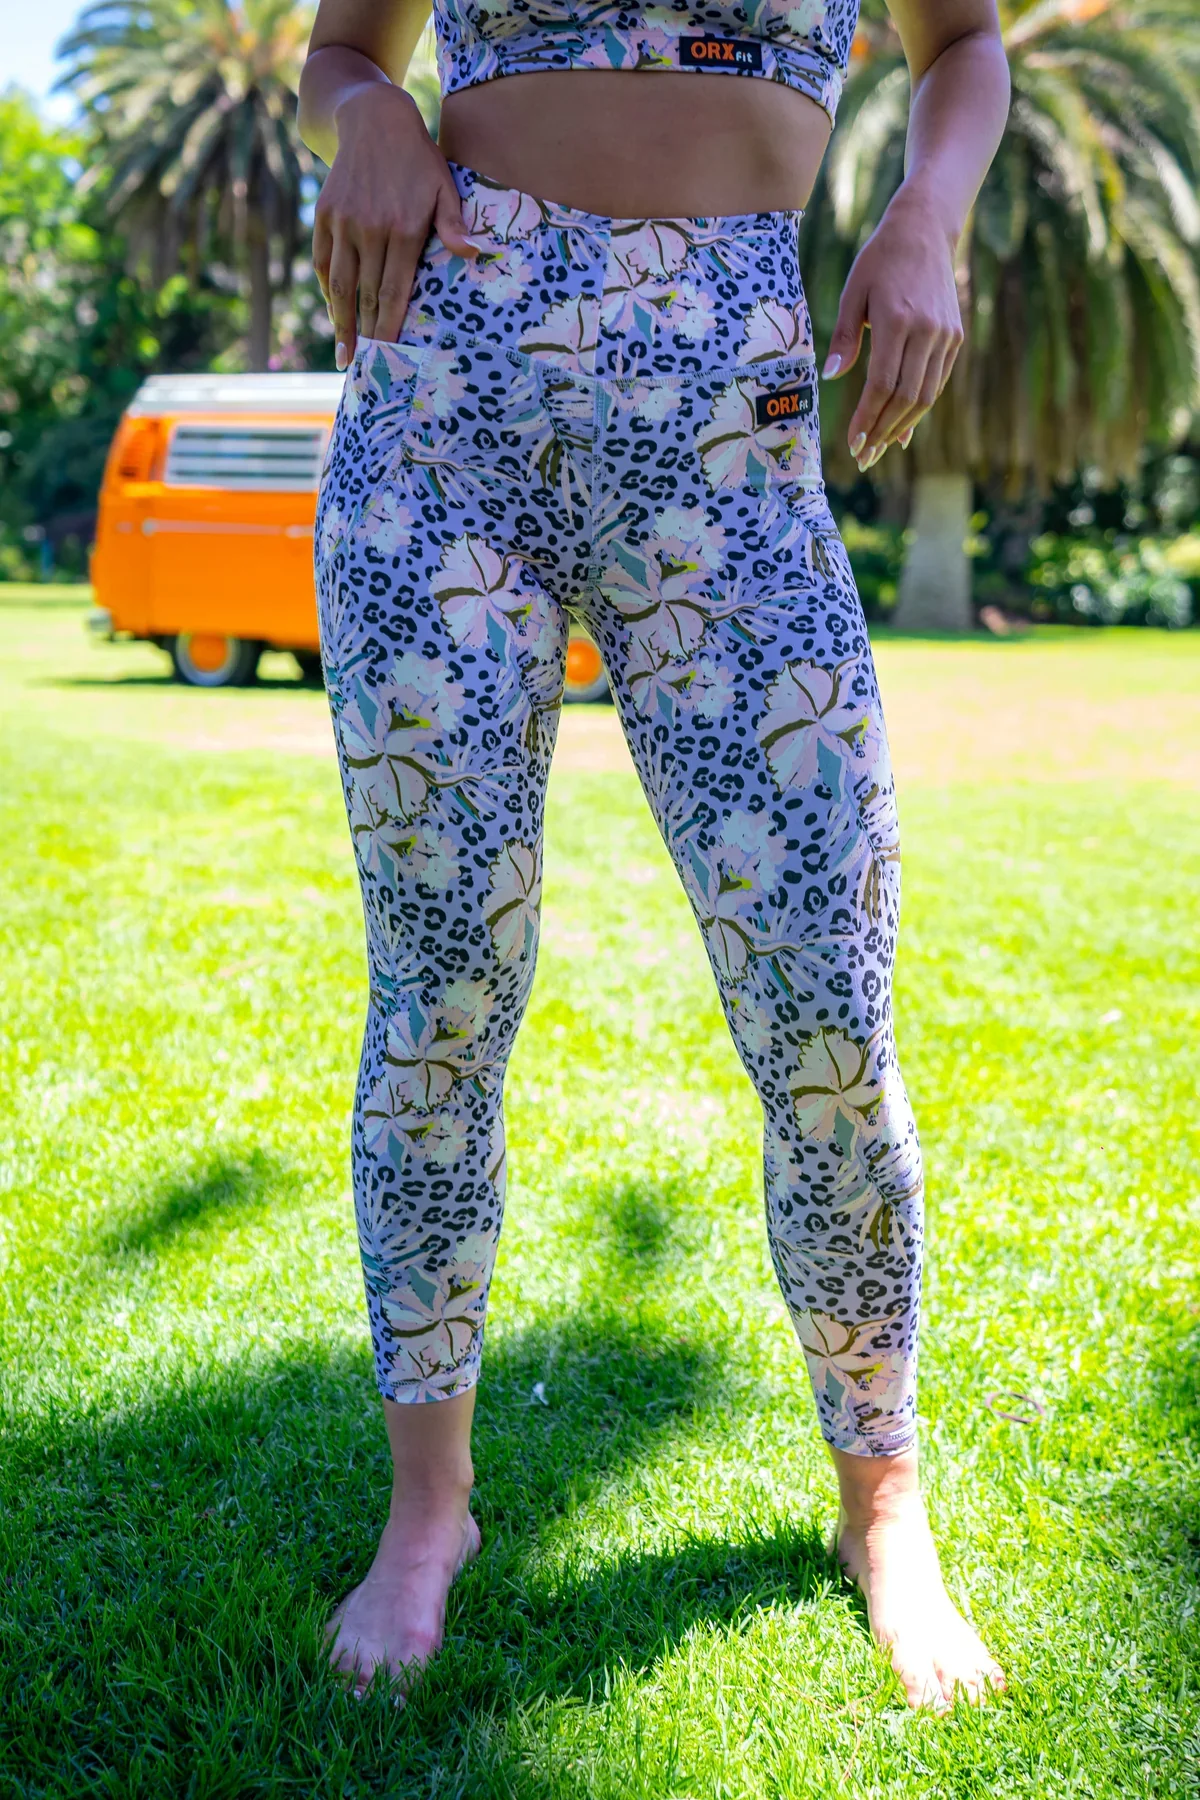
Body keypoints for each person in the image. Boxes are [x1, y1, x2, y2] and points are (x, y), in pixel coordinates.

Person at [299, 0, 1011, 1712]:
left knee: (828, 1014)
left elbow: (966, 44)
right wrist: (367, 112)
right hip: (447, 397)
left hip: (729, 408)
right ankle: (429, 1509)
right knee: (441, 996)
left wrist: (928, 213)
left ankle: (882, 1503)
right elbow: (341, 53)